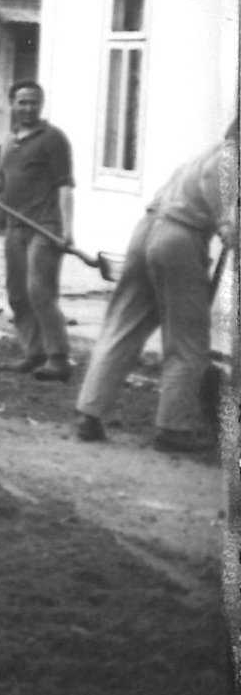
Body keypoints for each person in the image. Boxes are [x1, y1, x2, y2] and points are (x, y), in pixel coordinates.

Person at [73, 121, 238, 454]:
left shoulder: (204, 154)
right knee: (188, 339)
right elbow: (215, 182)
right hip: (180, 237)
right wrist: (225, 223)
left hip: (148, 230)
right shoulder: (230, 156)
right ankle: (174, 428)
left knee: (123, 325)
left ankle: (89, 412)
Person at [0, 81, 76, 382]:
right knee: (17, 293)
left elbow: (65, 186)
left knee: (40, 291)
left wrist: (67, 230)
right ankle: (34, 352)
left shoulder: (53, 139)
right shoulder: (10, 141)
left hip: (45, 227)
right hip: (16, 228)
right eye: (22, 102)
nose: (28, 108)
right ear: (12, 104)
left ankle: (58, 357)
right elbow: (1, 180)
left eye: (34, 102)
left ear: (41, 104)